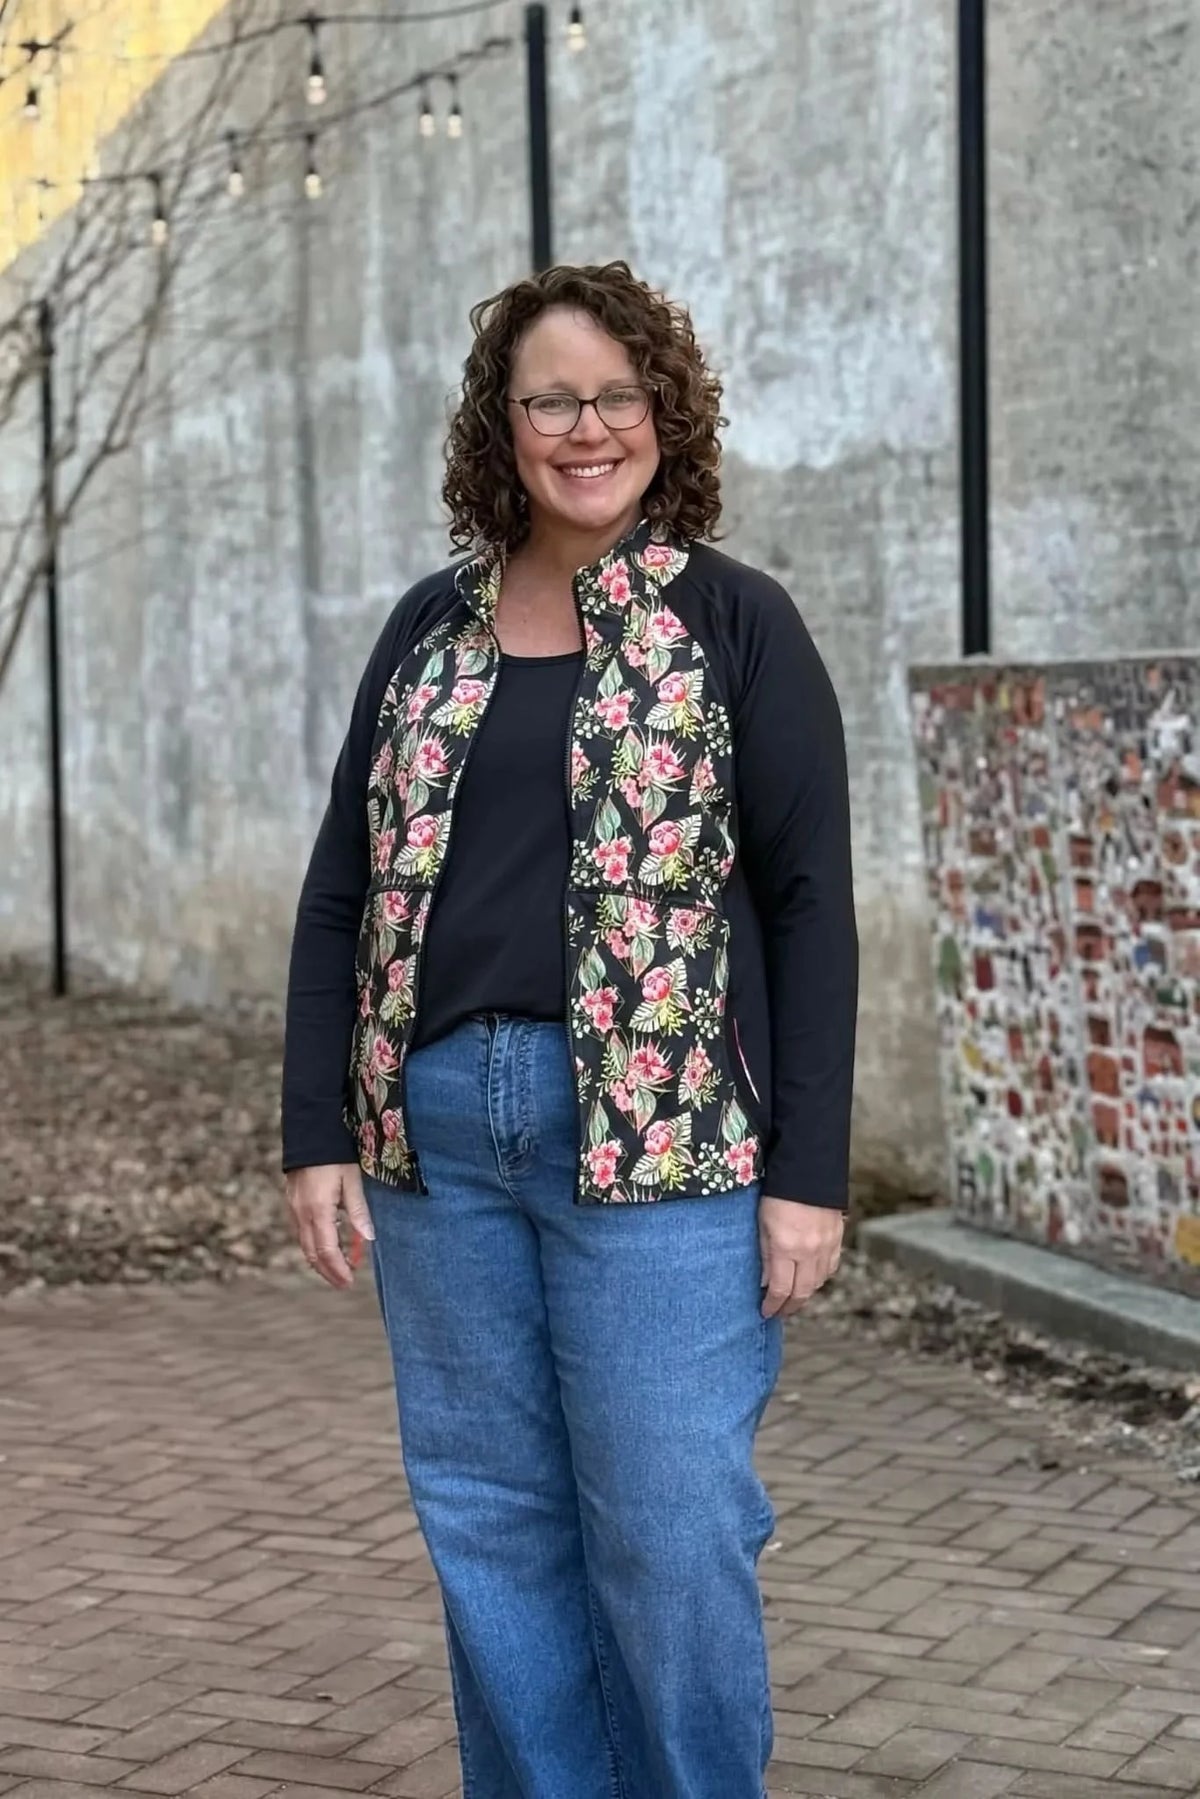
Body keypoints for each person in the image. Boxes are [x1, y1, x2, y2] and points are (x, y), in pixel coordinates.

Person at [282, 260, 857, 1799]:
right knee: (492, 1518)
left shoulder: (734, 624)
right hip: (442, 1137)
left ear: (663, 414)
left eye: (615, 395)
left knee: (671, 1525)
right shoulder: (428, 629)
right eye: (552, 398)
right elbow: (341, 886)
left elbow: (812, 908)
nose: (585, 427)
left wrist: (811, 1174)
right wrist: (316, 1128)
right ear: (505, 423)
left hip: (670, 1141)